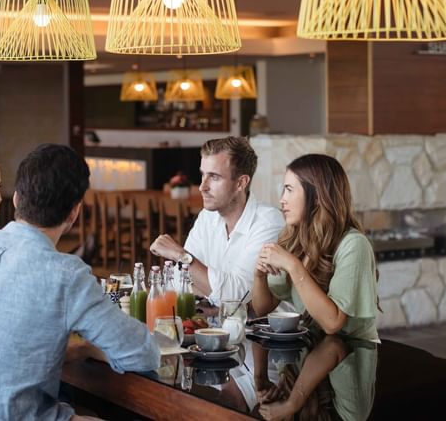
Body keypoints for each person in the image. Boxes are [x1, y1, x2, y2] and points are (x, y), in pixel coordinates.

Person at [0, 144, 160, 421]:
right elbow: (144, 354)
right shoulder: (67, 275)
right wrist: (87, 348)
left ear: (16, 199)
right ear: (73, 213)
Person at [252, 154, 380, 342]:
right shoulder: (295, 240)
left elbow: (333, 323)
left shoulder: (353, 244)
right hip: (312, 349)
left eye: (289, 190)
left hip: (351, 356)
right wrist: (259, 276)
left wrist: (293, 266)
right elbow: (263, 308)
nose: (282, 200)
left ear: (318, 196)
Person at [150, 136, 284, 305]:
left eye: (214, 177)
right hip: (212, 326)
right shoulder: (207, 216)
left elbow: (239, 296)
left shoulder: (268, 222)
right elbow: (178, 281)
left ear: (241, 183)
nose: (202, 187)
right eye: (203, 175)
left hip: (260, 329)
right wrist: (214, 293)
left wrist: (181, 255)